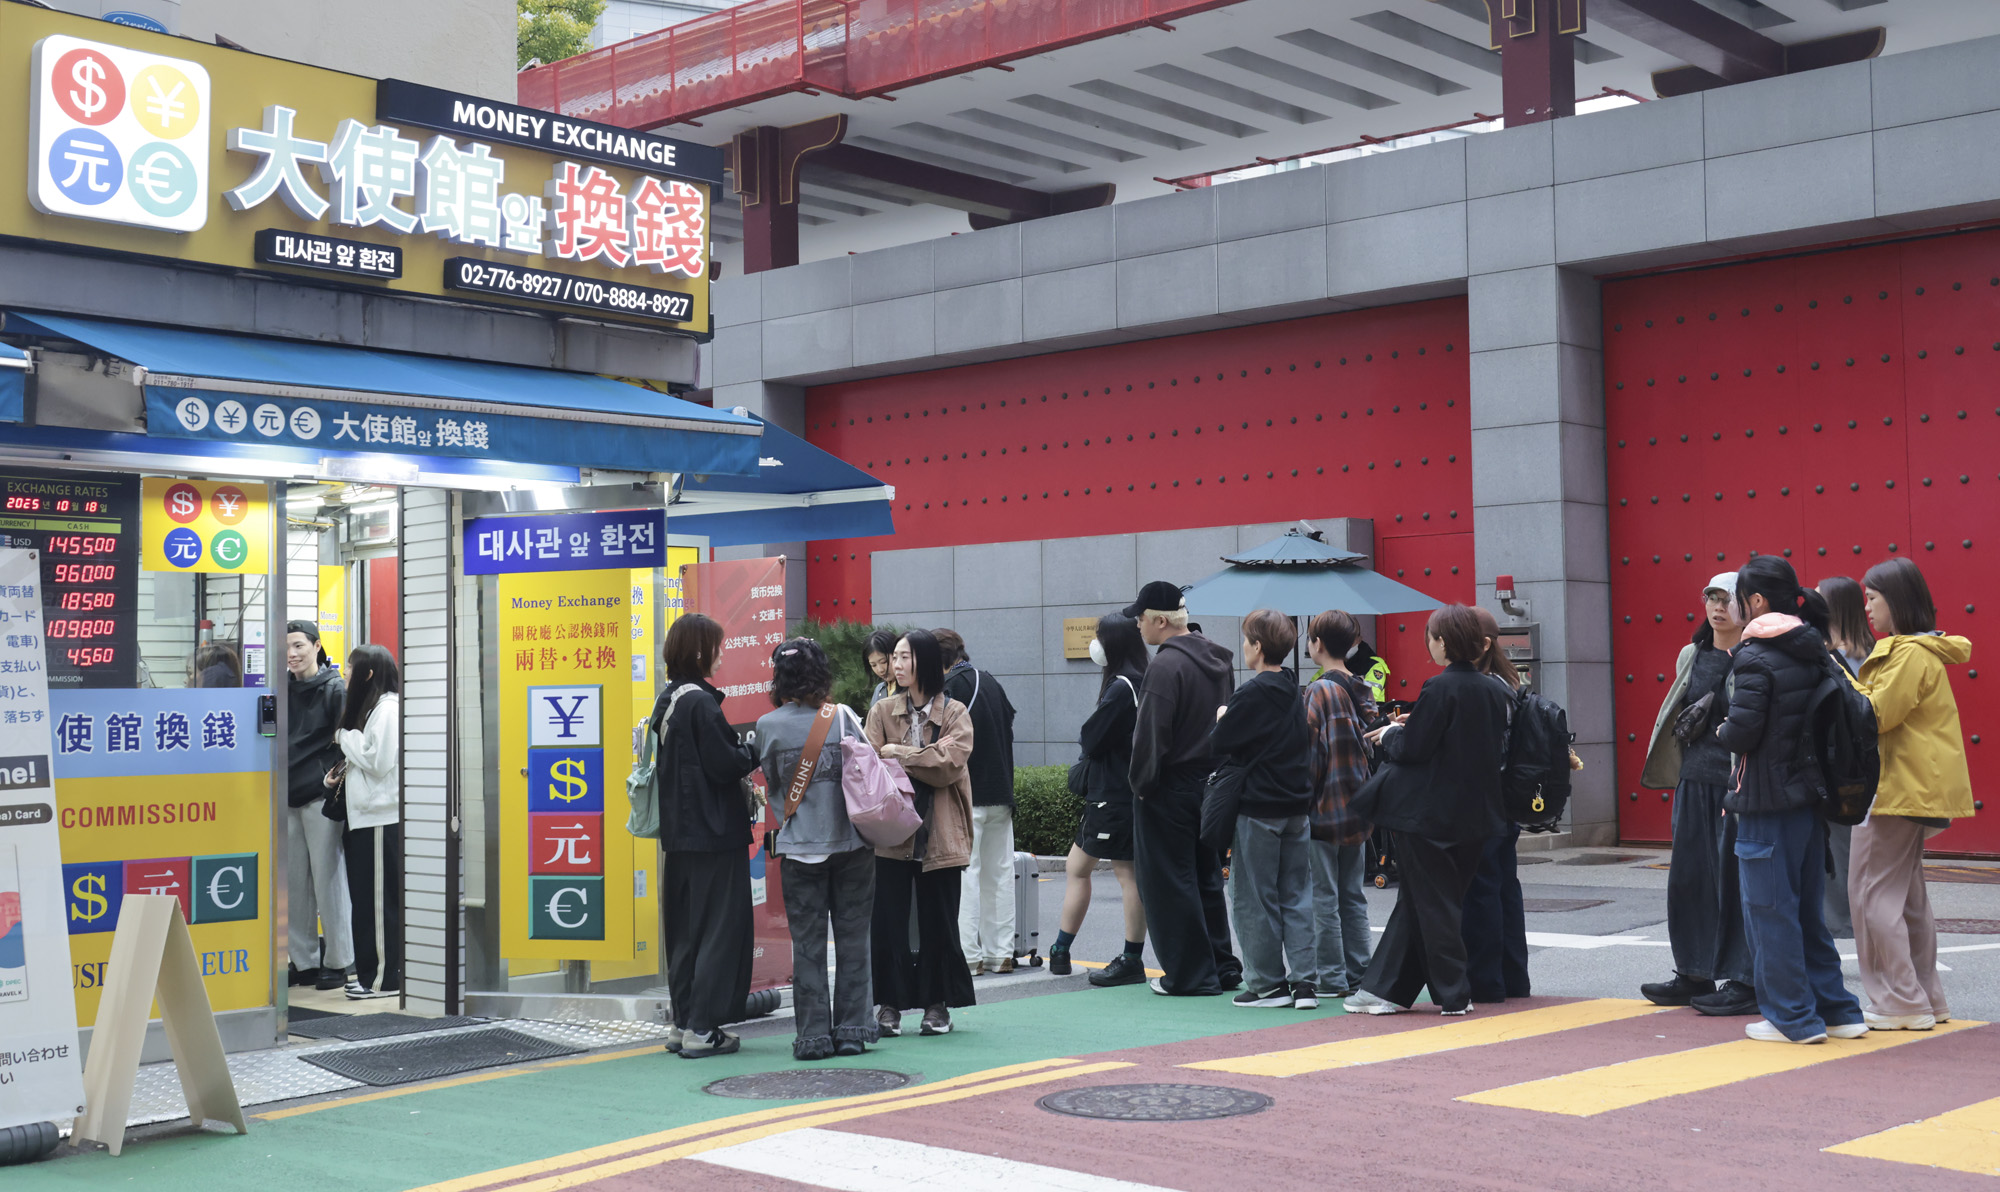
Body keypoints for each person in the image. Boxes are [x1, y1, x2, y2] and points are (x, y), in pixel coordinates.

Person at [1712, 557, 1866, 1044]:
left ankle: (1791, 1017)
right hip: (1808, 801)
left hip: (1764, 800)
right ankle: (1839, 1011)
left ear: (1755, 602)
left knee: (1769, 911)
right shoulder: (1815, 649)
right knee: (1805, 913)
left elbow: (1744, 731)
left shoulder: (1756, 655)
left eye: (1739, 598)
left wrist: (1719, 728)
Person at [1345, 605, 1510, 1016]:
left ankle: (1454, 994)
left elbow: (1415, 749)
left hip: (1428, 816)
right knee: (1423, 902)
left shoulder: (1439, 688)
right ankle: (1383, 989)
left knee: (1433, 905)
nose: (1430, 644)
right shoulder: (1496, 690)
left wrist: (1393, 733)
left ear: (1443, 642)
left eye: (1432, 637)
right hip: (1476, 814)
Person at [1848, 558, 1971, 1031]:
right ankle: (1925, 996)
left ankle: (1900, 999)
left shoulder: (1906, 654)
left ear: (1895, 602)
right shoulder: (1923, 651)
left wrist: (1839, 678)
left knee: (1869, 892)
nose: (1867, 608)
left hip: (1896, 788)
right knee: (1907, 897)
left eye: (1872, 598)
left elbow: (1875, 714)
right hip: (1913, 787)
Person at [1638, 574, 1758, 1015]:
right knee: (1689, 879)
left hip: (1736, 784)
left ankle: (1744, 979)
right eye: (1711, 598)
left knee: (1735, 879)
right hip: (1694, 779)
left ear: (1748, 605)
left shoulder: (1754, 654)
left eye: (1727, 600)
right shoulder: (1692, 654)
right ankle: (1693, 971)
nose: (1718, 607)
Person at [757, 638, 877, 1060]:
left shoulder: (767, 726)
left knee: (806, 946)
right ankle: (852, 1031)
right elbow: (869, 769)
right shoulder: (843, 717)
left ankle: (812, 1038)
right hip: (853, 846)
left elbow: (771, 784)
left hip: (799, 849)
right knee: (853, 940)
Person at [1125, 580, 1241, 996]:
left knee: (1170, 882)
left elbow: (1151, 738)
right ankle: (1223, 965)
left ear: (1159, 620)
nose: (1137, 626)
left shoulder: (1164, 666)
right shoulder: (1219, 660)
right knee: (1206, 877)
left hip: (1168, 786)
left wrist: (1140, 786)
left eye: (1140, 619)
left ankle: (1190, 975)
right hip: (1209, 783)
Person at [655, 612, 761, 1059]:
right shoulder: (700, 701)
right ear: (700, 650)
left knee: (687, 933)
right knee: (719, 930)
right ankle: (703, 1027)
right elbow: (726, 763)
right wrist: (754, 747)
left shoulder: (669, 698)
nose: (722, 653)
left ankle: (684, 1023)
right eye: (717, 645)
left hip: (681, 837)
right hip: (715, 834)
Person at [865, 629, 977, 1037]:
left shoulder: (955, 712)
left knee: (938, 922)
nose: (895, 665)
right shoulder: (881, 711)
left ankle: (937, 1006)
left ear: (925, 662)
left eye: (904, 657)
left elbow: (950, 762)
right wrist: (912, 759)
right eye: (894, 658)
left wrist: (899, 754)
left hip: (941, 835)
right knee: (888, 922)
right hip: (891, 834)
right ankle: (889, 1007)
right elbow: (868, 762)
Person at [1213, 609, 1317, 1009]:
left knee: (1253, 897)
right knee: (1296, 895)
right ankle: (1304, 984)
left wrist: (1223, 715)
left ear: (1257, 647)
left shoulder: (1252, 692)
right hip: (1296, 806)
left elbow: (1219, 743)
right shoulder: (1293, 688)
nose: (1243, 646)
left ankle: (1267, 985)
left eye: (1246, 640)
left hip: (1258, 807)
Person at [1050, 614, 1149, 986]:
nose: (1094, 645)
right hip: (1120, 793)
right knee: (1078, 866)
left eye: (1098, 637)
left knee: (1127, 875)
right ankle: (1060, 950)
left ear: (1114, 644)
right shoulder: (1142, 678)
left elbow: (1091, 737)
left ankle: (1131, 958)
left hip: (1114, 794)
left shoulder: (1123, 687)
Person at [934, 628, 1020, 976]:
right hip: (1001, 792)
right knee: (999, 873)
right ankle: (1001, 953)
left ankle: (968, 956)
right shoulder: (991, 682)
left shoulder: (950, 688)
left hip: (967, 794)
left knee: (965, 875)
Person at [1301, 610, 1376, 999]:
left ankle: (1331, 977)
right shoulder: (1361, 687)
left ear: (1317, 643)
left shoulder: (1318, 691)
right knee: (1352, 894)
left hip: (1324, 806)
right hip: (1358, 804)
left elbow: (1311, 754)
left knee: (1323, 897)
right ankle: (1359, 971)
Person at [1460, 605, 1530, 1004]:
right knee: (1504, 887)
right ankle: (1512, 977)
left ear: (1482, 644)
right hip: (1508, 801)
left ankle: (1486, 980)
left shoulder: (1485, 686)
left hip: (1486, 800)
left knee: (1482, 889)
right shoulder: (1509, 680)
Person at [284, 621, 352, 993]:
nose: (292, 654)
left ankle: (339, 961)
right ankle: (304, 961)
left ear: (316, 645)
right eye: (287, 649)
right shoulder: (282, 688)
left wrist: (332, 779)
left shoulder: (335, 688)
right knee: (294, 883)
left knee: (328, 879)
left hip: (320, 796)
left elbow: (346, 742)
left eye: (298, 646)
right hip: (288, 793)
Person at [331, 643, 401, 1000]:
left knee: (377, 902)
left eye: (350, 668)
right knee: (365, 900)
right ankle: (371, 973)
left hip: (379, 819)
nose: (345, 673)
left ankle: (384, 981)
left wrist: (344, 737)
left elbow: (378, 760)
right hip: (366, 819)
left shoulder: (387, 708)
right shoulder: (375, 709)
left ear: (368, 673)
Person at [1817, 575, 1876, 939]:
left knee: (1840, 856)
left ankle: (1844, 927)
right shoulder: (1871, 651)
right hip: (1867, 767)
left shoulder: (1835, 655)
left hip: (1840, 767)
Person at [865, 629, 900, 707]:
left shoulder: (912, 688)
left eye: (884, 662)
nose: (880, 670)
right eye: (873, 665)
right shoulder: (879, 689)